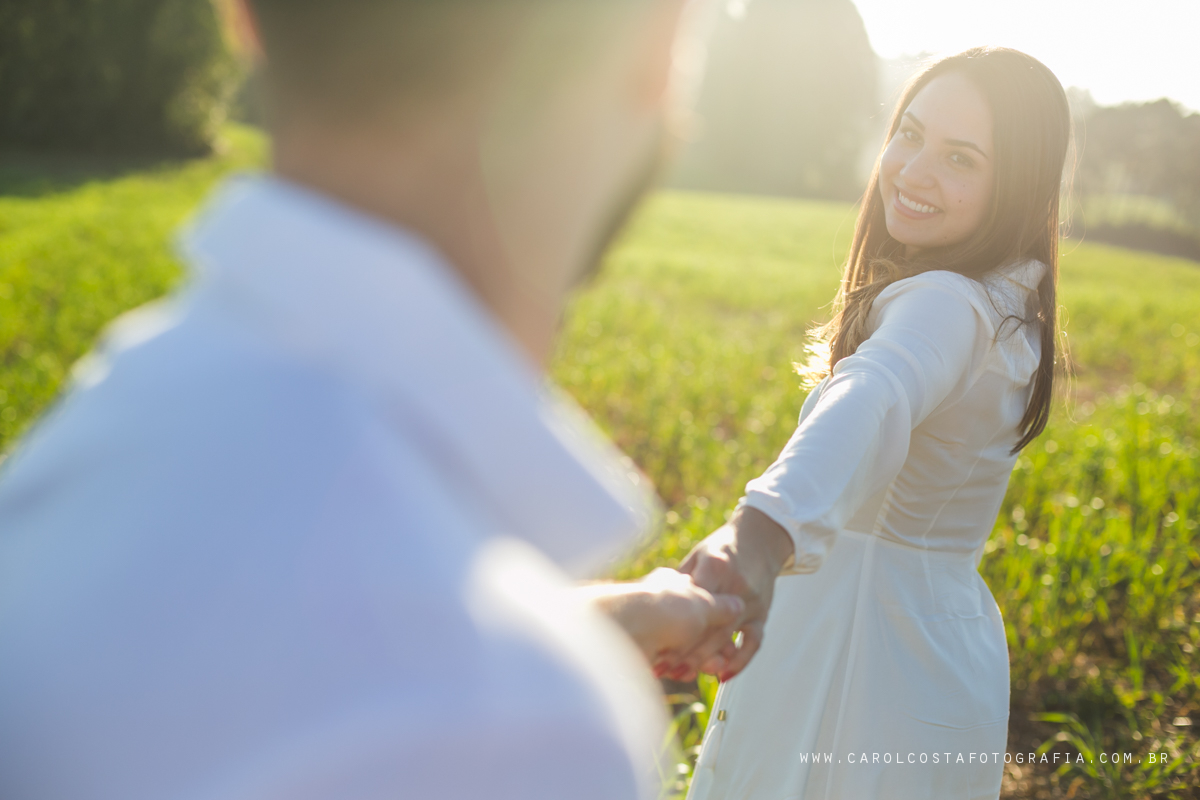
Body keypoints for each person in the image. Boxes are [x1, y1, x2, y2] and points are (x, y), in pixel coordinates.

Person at [0, 1, 747, 798]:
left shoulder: (93, 434)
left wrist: (577, 622)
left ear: (244, 21)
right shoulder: (521, 734)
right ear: (656, 49)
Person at [679, 47, 1072, 799]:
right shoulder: (1004, 301)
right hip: (936, 649)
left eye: (960, 158)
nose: (913, 171)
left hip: (852, 650)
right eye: (910, 133)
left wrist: (758, 535)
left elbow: (876, 389)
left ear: (1015, 186)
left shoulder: (948, 304)